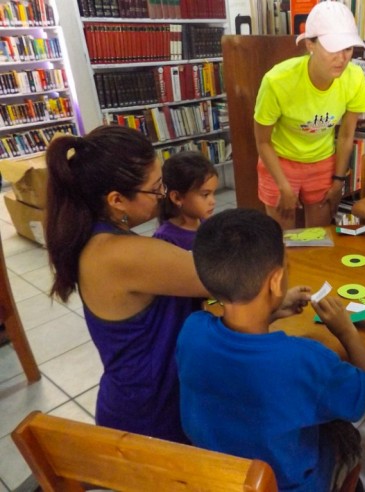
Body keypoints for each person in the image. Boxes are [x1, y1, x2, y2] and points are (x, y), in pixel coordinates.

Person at [45, 125, 310, 444]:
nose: (161, 198)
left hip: (144, 397)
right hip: (152, 414)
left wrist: (273, 307)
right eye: (155, 189)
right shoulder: (123, 255)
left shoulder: (101, 239)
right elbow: (239, 275)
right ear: (117, 200)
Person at [177, 208, 365, 491]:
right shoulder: (304, 360)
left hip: (220, 477)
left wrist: (273, 309)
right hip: (288, 484)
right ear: (275, 281)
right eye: (287, 265)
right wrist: (346, 331)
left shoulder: (192, 329)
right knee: (344, 433)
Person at [254, 1, 365, 230]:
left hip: (322, 160)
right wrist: (283, 186)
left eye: (348, 49)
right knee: (281, 238)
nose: (342, 58)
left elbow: (346, 136)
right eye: (333, 48)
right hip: (280, 161)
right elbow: (262, 141)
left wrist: (338, 180)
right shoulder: (277, 81)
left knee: (318, 236)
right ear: (310, 44)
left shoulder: (355, 78)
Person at [153, 151, 219, 251]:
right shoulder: (164, 239)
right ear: (177, 198)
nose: (213, 201)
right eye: (205, 195)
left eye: (213, 193)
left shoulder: (206, 223)